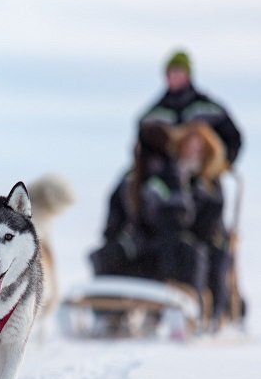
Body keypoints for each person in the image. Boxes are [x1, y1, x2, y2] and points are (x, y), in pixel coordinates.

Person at [90, 124, 207, 303]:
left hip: (162, 253)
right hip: (142, 250)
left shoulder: (175, 178)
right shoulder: (130, 181)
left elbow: (179, 219)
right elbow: (114, 222)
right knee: (107, 254)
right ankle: (108, 309)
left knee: (189, 253)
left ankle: (185, 310)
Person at [172, 121, 233, 331]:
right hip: (177, 239)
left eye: (197, 148)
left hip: (207, 238)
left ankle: (212, 315)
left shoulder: (211, 182)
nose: (192, 153)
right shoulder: (172, 176)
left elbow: (212, 214)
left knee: (209, 257)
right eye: (189, 147)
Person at [139, 51, 243, 166]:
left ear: (188, 75)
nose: (174, 77)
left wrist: (222, 164)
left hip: (203, 172)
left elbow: (233, 137)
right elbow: (142, 145)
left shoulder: (209, 108)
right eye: (171, 73)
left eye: (179, 72)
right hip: (168, 172)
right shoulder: (154, 114)